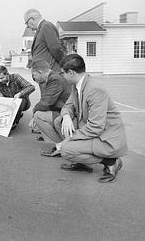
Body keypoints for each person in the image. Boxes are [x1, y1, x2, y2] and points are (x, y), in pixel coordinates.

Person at [53, 54, 128, 183]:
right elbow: (68, 106)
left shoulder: (95, 90)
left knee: (66, 150)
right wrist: (66, 116)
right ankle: (82, 163)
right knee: (59, 122)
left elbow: (96, 127)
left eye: (62, 73)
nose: (62, 76)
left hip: (106, 138)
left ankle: (111, 161)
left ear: (71, 72)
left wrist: (68, 140)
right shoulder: (77, 85)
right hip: (93, 131)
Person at [30, 60, 71, 154]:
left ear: (40, 72)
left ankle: (61, 147)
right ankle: (62, 144)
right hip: (65, 112)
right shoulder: (54, 77)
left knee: (38, 116)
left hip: (68, 114)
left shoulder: (54, 79)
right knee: (39, 114)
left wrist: (33, 115)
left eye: (34, 75)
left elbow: (46, 102)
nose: (34, 78)